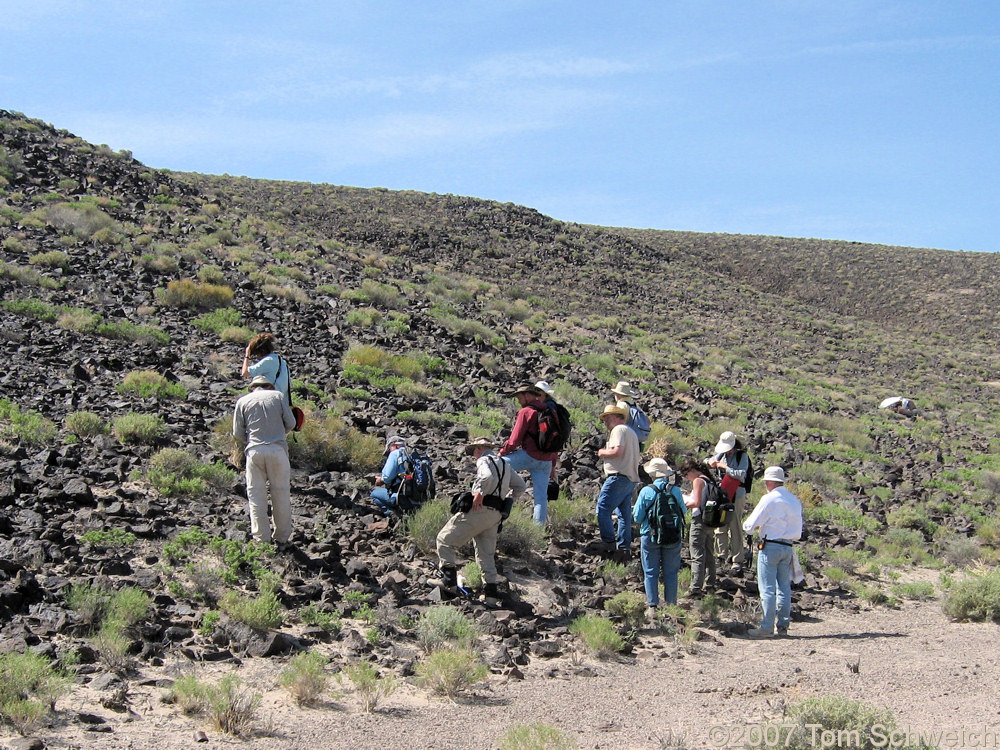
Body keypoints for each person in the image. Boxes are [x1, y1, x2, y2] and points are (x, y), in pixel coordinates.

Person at [430, 438, 526, 606]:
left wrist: (479, 493)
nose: (474, 454)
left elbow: (486, 476)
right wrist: (509, 499)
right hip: (495, 515)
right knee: (485, 555)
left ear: (480, 448)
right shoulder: (505, 465)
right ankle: (490, 596)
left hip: (479, 510)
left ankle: (448, 583)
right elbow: (521, 485)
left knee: (444, 540)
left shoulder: (484, 460)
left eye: (474, 450)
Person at [232, 375, 295, 547]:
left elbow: (237, 433)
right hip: (277, 450)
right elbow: (291, 423)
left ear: (253, 387)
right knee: (280, 494)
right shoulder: (278, 396)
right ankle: (282, 539)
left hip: (254, 451)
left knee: (256, 496)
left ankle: (261, 541)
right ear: (269, 386)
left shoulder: (243, 401)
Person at [743, 466, 803, 638]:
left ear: (769, 482)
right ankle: (782, 626)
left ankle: (766, 627)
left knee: (767, 588)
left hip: (770, 546)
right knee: (784, 587)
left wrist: (748, 529)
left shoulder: (769, 499)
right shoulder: (794, 500)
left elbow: (750, 523)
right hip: (788, 547)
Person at [498, 383, 559, 525]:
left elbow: (514, 440)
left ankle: (496, 503)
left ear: (527, 395)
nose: (519, 401)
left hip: (530, 456)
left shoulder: (526, 412)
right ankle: (538, 532)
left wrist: (501, 453)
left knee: (496, 465)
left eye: (519, 397)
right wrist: (553, 465)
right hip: (546, 461)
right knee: (541, 498)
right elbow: (556, 441)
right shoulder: (551, 411)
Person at [632, 458, 686, 617]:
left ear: (652, 474)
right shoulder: (675, 490)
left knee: (650, 572)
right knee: (671, 572)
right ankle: (671, 607)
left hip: (650, 535)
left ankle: (653, 606)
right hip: (673, 537)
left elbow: (637, 517)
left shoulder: (646, 491)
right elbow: (683, 512)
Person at [596, 403, 640, 562]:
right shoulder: (632, 433)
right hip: (630, 478)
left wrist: (602, 452)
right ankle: (624, 548)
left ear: (614, 417)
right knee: (624, 515)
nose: (605, 422)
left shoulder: (618, 430)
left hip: (617, 476)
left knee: (603, 509)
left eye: (607, 418)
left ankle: (608, 543)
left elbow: (617, 451)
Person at [707, 431, 751, 575]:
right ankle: (721, 556)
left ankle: (737, 560)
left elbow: (741, 474)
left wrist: (725, 468)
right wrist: (710, 463)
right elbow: (706, 461)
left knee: (735, 525)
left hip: (737, 494)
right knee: (720, 524)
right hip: (723, 493)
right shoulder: (720, 456)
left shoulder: (741, 456)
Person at [679, 457, 717, 598]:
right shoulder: (707, 479)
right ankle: (710, 584)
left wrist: (683, 504)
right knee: (709, 552)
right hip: (709, 521)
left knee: (697, 554)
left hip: (699, 520)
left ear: (692, 470)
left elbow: (696, 503)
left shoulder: (698, 480)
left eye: (686, 475)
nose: (687, 478)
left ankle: (695, 587)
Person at [241, 333, 290, 405]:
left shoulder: (268, 361)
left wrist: (247, 356)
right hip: (283, 402)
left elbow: (244, 373)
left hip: (271, 402)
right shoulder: (282, 362)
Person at [370, 435, 408, 516]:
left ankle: (394, 515)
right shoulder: (414, 454)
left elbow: (387, 477)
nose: (389, 452)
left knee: (374, 494)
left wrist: (380, 480)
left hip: (403, 497)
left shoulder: (395, 453)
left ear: (394, 445)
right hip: (422, 497)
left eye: (389, 449)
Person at [610, 380, 651, 447]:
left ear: (618, 395)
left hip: (625, 440)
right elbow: (648, 422)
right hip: (636, 441)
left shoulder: (621, 405)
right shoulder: (634, 404)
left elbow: (618, 424)